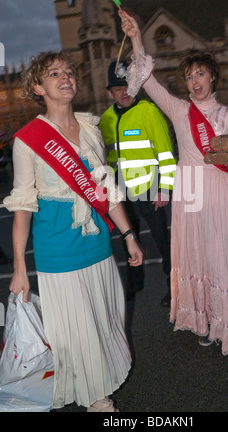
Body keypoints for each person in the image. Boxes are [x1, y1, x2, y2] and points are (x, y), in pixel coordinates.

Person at [120, 11, 228, 372]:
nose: (195, 81)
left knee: (225, 257)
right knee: (197, 257)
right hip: (189, 190)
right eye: (189, 76)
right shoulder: (179, 110)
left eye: (201, 74)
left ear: (213, 77)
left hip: (220, 189)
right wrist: (135, 39)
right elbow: (147, 80)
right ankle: (208, 320)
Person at [3, 51, 143, 412]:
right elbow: (22, 209)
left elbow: (105, 191)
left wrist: (128, 235)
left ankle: (98, 383)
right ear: (38, 86)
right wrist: (20, 269)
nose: (66, 77)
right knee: (77, 331)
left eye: (69, 72)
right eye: (54, 74)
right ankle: (97, 399)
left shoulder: (91, 128)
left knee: (105, 318)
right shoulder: (28, 140)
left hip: (97, 242)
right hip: (57, 250)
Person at [99, 60, 176, 307]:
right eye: (118, 88)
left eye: (129, 85)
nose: (125, 92)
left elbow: (166, 153)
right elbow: (105, 158)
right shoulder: (106, 119)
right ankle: (135, 280)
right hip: (122, 195)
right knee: (128, 240)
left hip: (150, 191)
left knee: (163, 242)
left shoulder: (148, 111)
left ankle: (174, 285)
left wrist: (165, 187)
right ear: (110, 92)